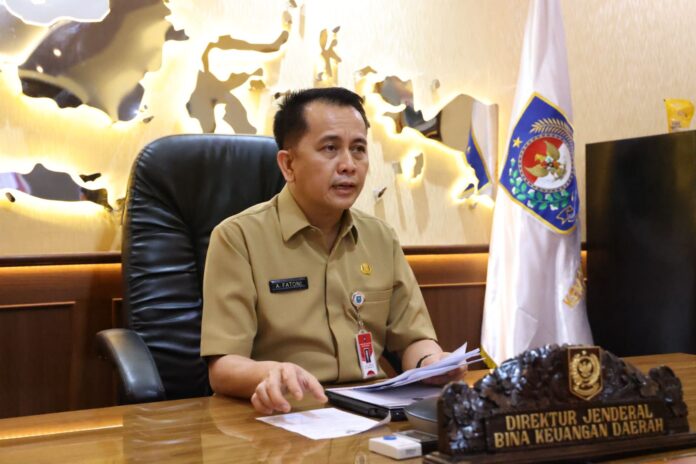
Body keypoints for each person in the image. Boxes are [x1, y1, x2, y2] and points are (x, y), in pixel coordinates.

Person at [201, 87, 462, 415]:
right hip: (286, 413)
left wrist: (431, 363)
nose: (349, 165)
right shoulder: (238, 238)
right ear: (288, 164)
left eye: (358, 149)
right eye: (330, 148)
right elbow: (223, 367)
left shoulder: (380, 238)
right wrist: (272, 373)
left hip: (371, 412)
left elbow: (412, 339)